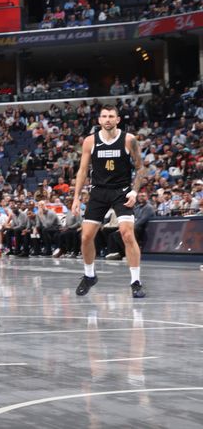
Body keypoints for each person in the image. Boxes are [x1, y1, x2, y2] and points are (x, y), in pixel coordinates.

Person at [72, 104, 146, 298]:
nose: (107, 119)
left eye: (111, 116)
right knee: (86, 237)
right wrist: (76, 197)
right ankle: (89, 276)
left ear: (117, 119)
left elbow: (140, 168)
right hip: (98, 192)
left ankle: (136, 281)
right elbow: (82, 171)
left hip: (121, 192)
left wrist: (134, 191)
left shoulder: (129, 140)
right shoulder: (90, 141)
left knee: (127, 234)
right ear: (99, 120)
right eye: (104, 116)